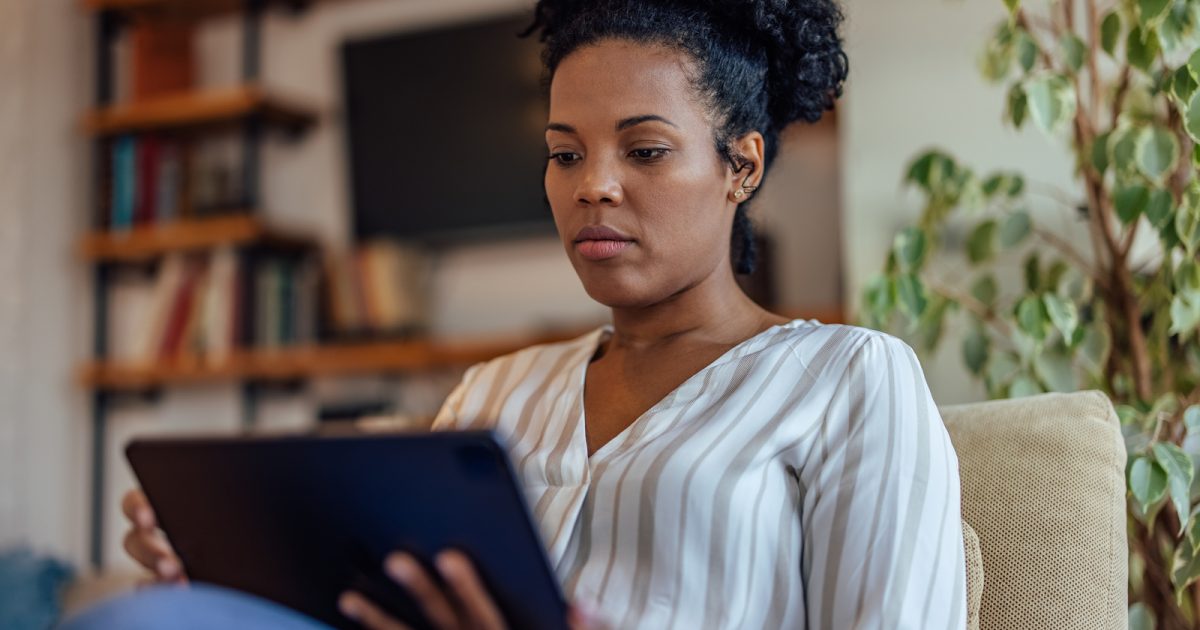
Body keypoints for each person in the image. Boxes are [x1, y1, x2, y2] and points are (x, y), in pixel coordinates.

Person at [97, 0, 967, 628]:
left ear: (741, 166)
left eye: (646, 149)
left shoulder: (851, 378)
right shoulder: (490, 394)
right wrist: (225, 568)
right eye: (563, 153)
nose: (593, 184)